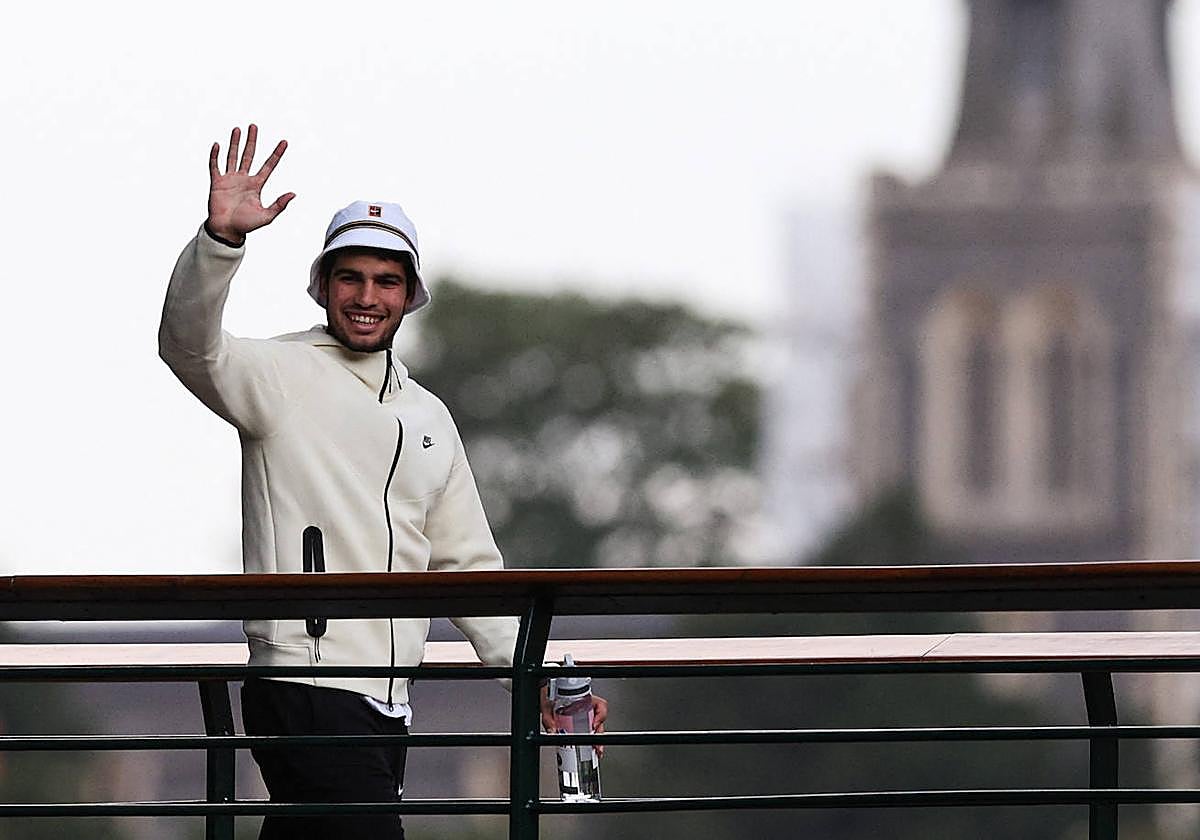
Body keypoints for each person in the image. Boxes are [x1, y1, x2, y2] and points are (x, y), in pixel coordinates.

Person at [159, 124, 607, 839]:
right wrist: (221, 242)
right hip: (304, 683)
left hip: (390, 699)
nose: (367, 297)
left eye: (386, 281)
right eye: (351, 278)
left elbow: (468, 565)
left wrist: (540, 675)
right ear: (324, 287)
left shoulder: (428, 414)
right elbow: (186, 346)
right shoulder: (279, 373)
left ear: (408, 295)